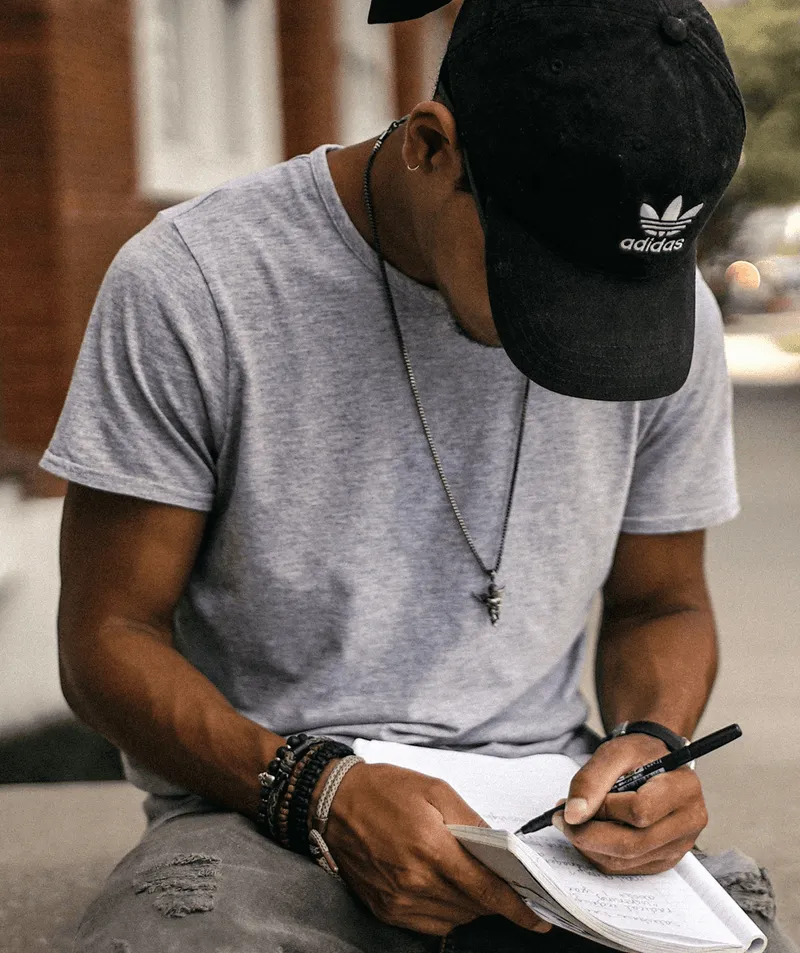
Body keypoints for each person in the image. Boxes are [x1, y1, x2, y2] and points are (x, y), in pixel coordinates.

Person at [41, 0, 795, 951]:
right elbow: (107, 636)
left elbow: (661, 600)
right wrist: (316, 790)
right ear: (432, 150)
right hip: (263, 812)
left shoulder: (673, 312)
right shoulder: (197, 284)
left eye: (618, 289)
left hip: (551, 828)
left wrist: (649, 743)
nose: (580, 333)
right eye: (546, 279)